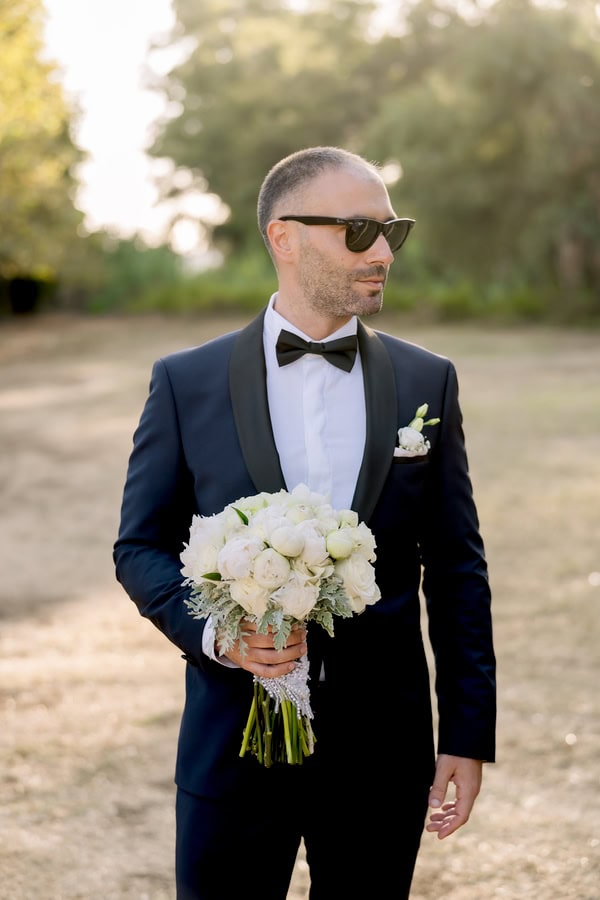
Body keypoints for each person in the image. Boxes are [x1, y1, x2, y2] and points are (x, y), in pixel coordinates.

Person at [113, 146, 496, 900]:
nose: (383, 251)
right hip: (232, 747)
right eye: (359, 231)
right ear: (283, 237)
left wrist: (467, 732)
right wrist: (219, 635)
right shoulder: (185, 383)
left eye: (393, 231)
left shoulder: (428, 381)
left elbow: (457, 568)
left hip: (383, 752)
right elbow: (140, 545)